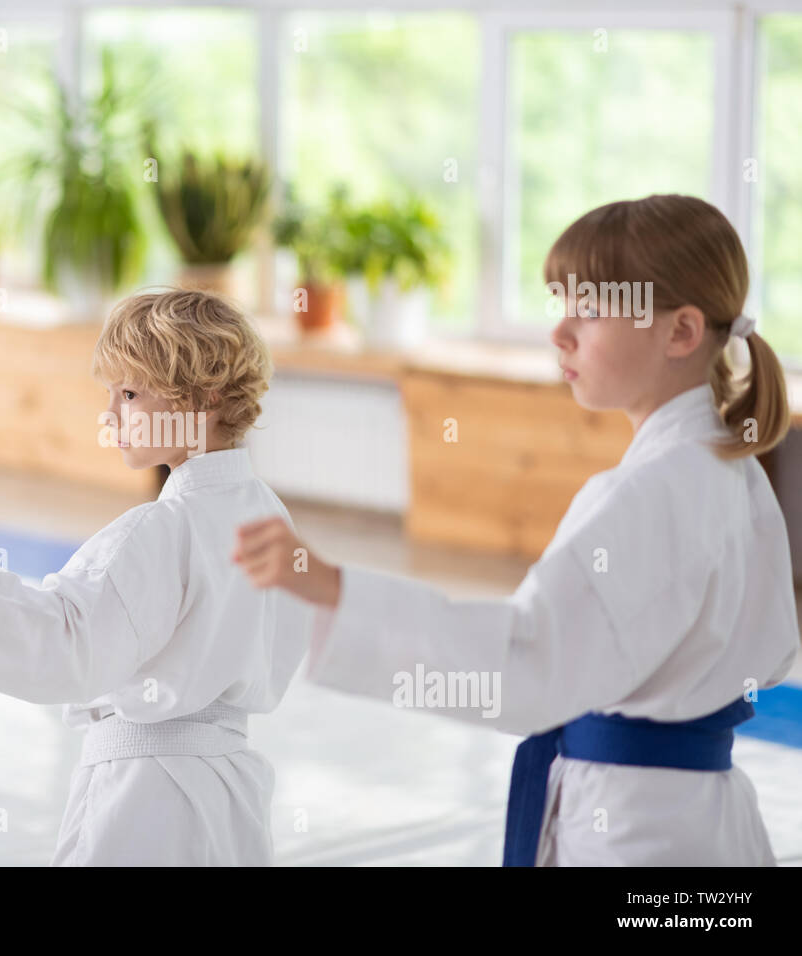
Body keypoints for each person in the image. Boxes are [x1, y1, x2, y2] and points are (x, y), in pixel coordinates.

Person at [235, 195, 799, 866]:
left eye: (588, 311)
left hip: (636, 834)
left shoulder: (649, 494)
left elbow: (525, 665)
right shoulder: (730, 469)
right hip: (699, 817)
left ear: (679, 332)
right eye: (561, 307)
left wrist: (334, 588)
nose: (559, 334)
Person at [0, 289, 313, 865]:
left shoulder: (161, 531)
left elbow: (66, 646)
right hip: (231, 798)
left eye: (129, 393)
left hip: (148, 797)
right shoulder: (272, 519)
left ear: (203, 399)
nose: (109, 415)